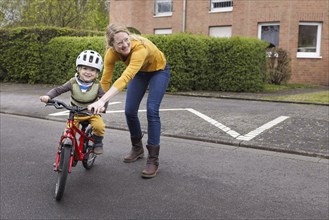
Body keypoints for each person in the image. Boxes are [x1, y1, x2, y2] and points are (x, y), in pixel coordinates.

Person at [88, 24, 170, 178]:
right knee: (129, 111)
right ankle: (137, 148)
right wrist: (99, 100)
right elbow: (105, 80)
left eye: (127, 40)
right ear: (112, 45)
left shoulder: (139, 48)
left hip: (159, 71)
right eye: (120, 43)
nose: (125, 44)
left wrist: (104, 100)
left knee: (152, 110)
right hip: (139, 73)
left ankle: (153, 159)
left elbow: (125, 77)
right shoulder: (111, 54)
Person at [40, 50, 107, 155]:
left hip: (91, 113)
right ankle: (63, 155)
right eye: (85, 68)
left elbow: (104, 97)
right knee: (68, 132)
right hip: (75, 113)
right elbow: (59, 89)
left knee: (99, 126)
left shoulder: (97, 85)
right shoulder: (73, 82)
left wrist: (103, 108)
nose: (88, 72)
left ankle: (98, 143)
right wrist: (48, 96)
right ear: (78, 69)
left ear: (97, 73)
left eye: (92, 70)